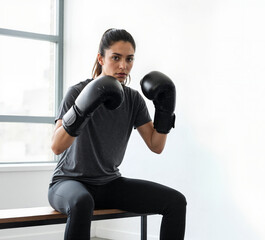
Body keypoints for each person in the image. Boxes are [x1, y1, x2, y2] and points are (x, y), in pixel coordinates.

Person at [48, 28, 186, 240]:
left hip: (109, 184)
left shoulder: (133, 99)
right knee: (82, 202)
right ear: (101, 59)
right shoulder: (78, 92)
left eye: (129, 59)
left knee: (176, 201)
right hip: (68, 183)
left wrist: (164, 111)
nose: (124, 66)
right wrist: (82, 109)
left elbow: (156, 145)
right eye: (116, 58)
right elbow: (57, 146)